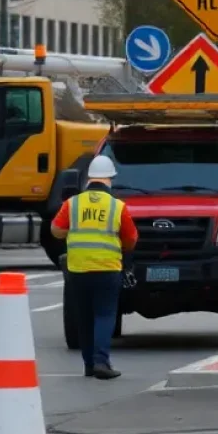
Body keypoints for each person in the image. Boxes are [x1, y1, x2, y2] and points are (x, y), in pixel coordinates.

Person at [51, 154, 138, 379]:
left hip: (78, 269)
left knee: (84, 317)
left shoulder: (73, 203)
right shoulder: (118, 207)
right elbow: (131, 240)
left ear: (89, 179)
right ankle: (102, 362)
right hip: (108, 269)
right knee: (104, 315)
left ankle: (89, 364)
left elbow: (56, 230)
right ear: (110, 179)